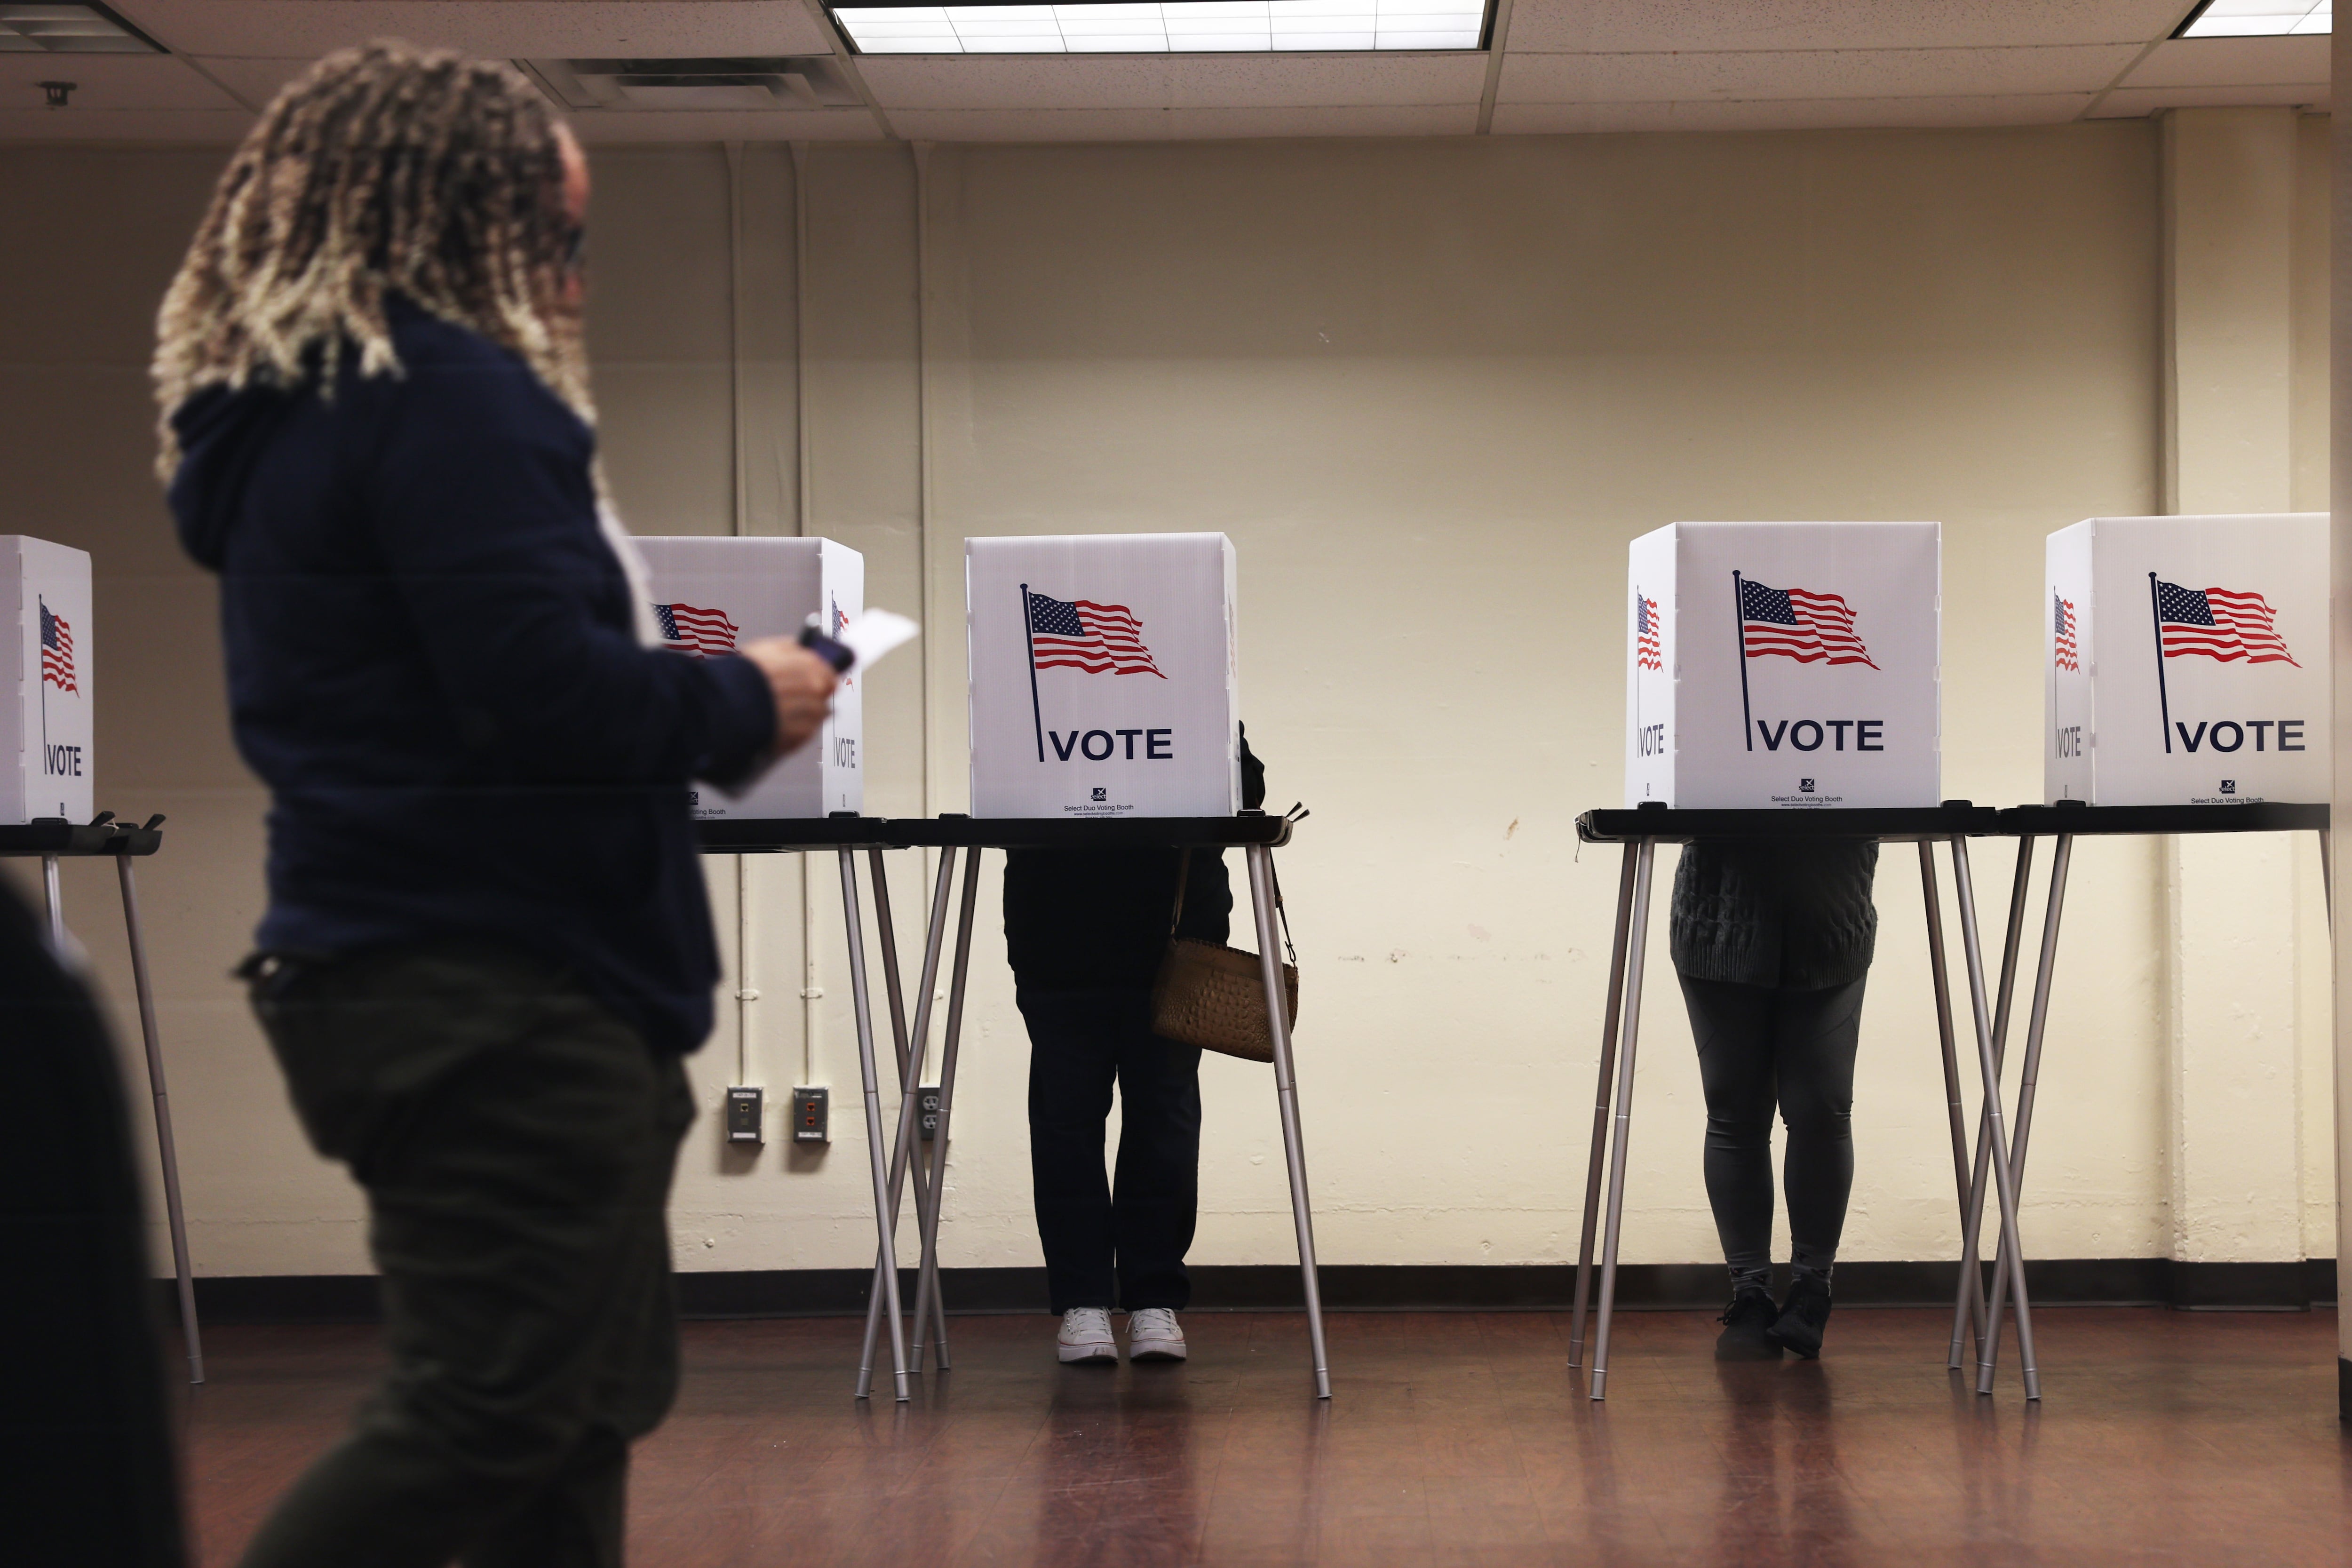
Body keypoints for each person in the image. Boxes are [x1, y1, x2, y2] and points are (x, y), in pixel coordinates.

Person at [154, 43, 837, 1568]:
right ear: (460, 216)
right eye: (564, 239)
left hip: (402, 969)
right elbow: (550, 696)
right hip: (499, 987)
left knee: (573, 1416)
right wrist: (751, 697)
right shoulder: (451, 397)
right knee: (491, 1415)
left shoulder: (303, 414)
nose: (576, 284)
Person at [1002, 728, 1265, 1365]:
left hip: (1169, 945)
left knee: (1161, 1124)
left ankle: (1150, 1297)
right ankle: (1084, 1301)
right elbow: (1000, 787)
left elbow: (1248, 793)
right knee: (1070, 1125)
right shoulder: (1037, 692)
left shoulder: (1191, 690)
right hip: (1059, 940)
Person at [1669, 836, 1878, 1361]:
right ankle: (1750, 1295)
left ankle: (1811, 1289)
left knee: (1820, 1108)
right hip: (1718, 920)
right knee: (1735, 1112)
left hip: (1829, 917)